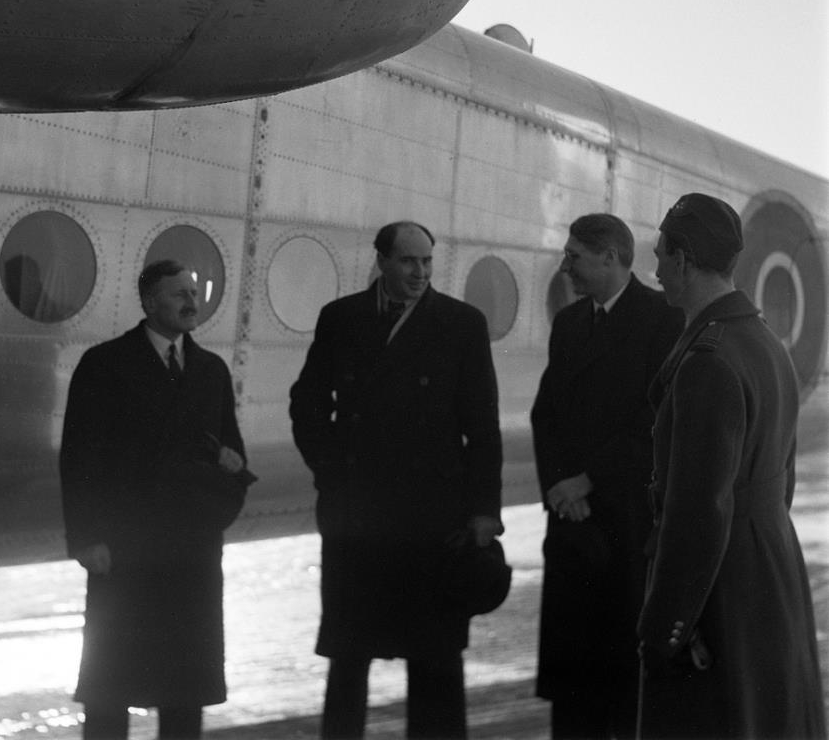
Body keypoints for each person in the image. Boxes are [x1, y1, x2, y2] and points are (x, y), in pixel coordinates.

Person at [289, 221, 503, 739]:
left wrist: (484, 512)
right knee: (349, 659)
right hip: (357, 517)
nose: (419, 272)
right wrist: (332, 472)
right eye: (408, 261)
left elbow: (482, 425)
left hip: (434, 522)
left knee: (435, 663)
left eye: (426, 261)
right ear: (382, 260)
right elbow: (307, 403)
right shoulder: (341, 319)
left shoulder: (461, 323)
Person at [638, 193, 826, 739]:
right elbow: (782, 480)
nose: (656, 269)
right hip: (769, 576)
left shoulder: (708, 361)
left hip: (720, 595)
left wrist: (667, 628)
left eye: (660, 255)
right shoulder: (766, 344)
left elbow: (697, 515)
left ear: (683, 260)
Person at [59, 259, 252, 740]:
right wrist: (86, 538)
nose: (192, 302)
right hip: (125, 550)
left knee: (184, 693)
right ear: (149, 302)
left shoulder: (210, 370)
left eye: (194, 292)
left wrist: (217, 515)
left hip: (191, 553)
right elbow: (78, 460)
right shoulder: (104, 365)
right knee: (110, 691)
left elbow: (233, 456)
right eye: (179, 293)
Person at [530, 214, 683, 739]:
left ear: (610, 258)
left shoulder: (663, 320)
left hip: (626, 523)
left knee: (622, 685)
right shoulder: (570, 323)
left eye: (574, 256)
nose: (564, 266)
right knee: (573, 693)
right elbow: (545, 416)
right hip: (572, 525)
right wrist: (559, 485)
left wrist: (588, 480)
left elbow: (655, 421)